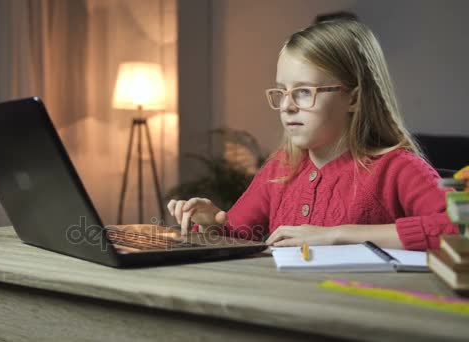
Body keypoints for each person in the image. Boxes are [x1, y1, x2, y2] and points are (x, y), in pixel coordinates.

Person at [167, 19, 458, 251]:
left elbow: (460, 229)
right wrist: (212, 224)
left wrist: (341, 235)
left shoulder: (397, 168)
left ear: (353, 99)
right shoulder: (280, 169)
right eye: (282, 92)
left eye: (304, 92)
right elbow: (238, 236)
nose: (286, 106)